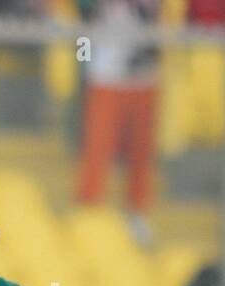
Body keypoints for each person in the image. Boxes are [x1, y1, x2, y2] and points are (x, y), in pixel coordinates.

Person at [74, 0, 161, 246]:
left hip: (144, 73)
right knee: (98, 144)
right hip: (106, 71)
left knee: (141, 150)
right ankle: (90, 211)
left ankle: (137, 212)